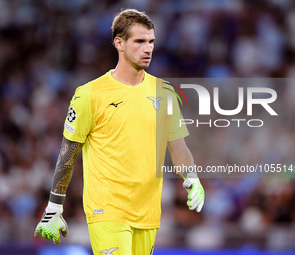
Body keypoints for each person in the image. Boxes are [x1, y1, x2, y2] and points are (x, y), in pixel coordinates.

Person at [34, 8, 205, 255]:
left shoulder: (165, 93)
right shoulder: (90, 95)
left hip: (147, 212)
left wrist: (192, 177)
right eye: (139, 41)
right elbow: (68, 153)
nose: (148, 49)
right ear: (119, 43)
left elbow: (178, 147)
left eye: (151, 42)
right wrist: (54, 205)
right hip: (107, 210)